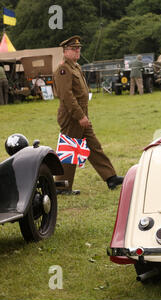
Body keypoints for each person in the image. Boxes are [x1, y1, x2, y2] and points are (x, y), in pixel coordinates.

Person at [53, 35, 124, 195]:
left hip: (81, 114)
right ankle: (62, 187)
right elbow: (67, 96)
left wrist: (83, 115)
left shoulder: (75, 67)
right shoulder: (63, 69)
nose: (77, 51)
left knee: (94, 146)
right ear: (65, 51)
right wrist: (80, 116)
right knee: (70, 150)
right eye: (73, 48)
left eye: (79, 48)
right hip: (72, 116)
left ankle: (110, 177)